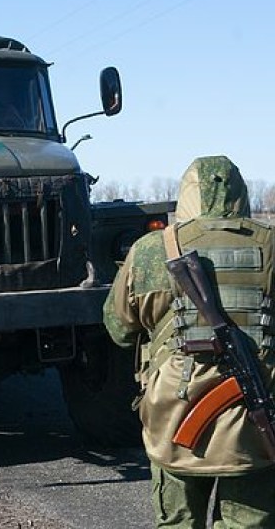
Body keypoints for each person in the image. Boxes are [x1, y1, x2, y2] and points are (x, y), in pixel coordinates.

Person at [103, 155, 275, 527]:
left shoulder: (152, 250)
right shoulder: (271, 245)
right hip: (254, 435)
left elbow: (118, 329)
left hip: (175, 419)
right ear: (242, 195)